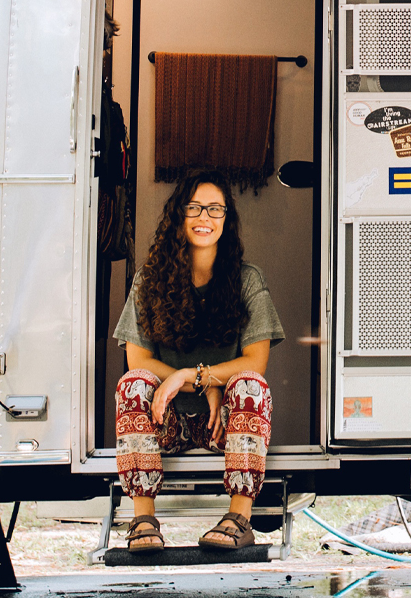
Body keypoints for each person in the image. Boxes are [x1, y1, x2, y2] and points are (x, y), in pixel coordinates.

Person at [113, 173, 283, 551]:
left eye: (215, 209)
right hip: (166, 423)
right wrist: (189, 384)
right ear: (179, 214)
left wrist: (198, 377)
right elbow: (136, 359)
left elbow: (255, 363)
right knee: (133, 383)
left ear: (226, 219)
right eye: (194, 207)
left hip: (222, 427)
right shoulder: (149, 279)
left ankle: (239, 518)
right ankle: (143, 520)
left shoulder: (246, 279)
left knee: (251, 387)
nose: (204, 217)